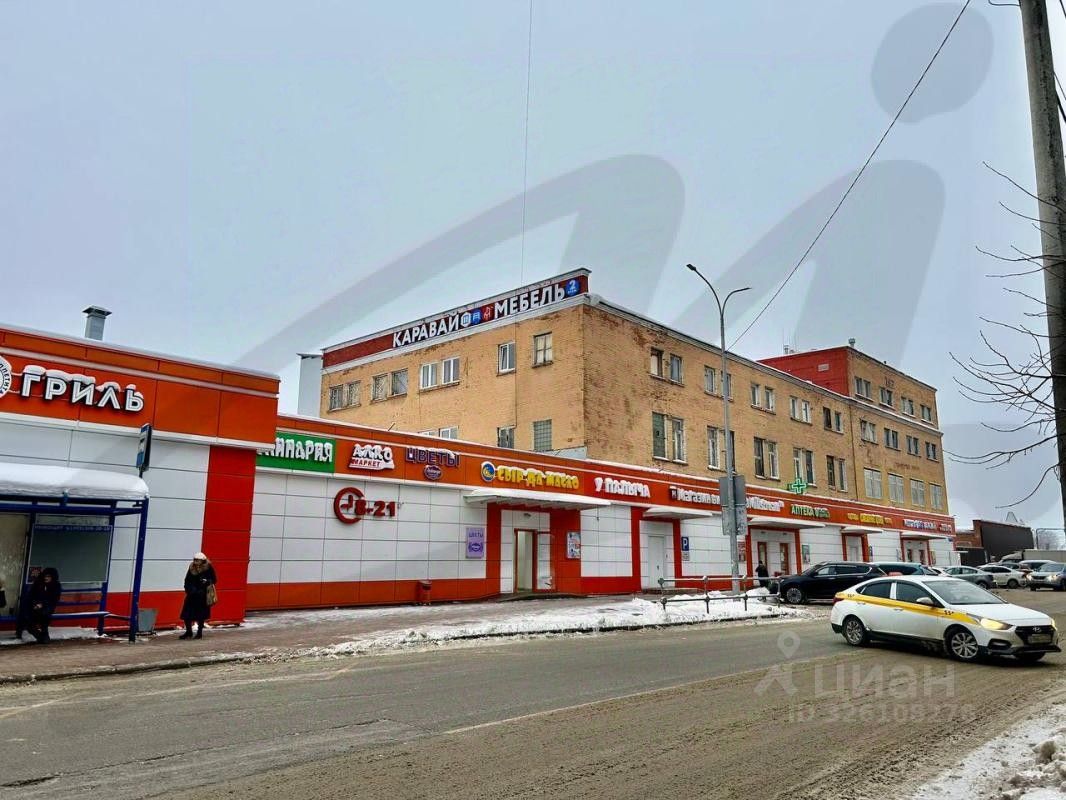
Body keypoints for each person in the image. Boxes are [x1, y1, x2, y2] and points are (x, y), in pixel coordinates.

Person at [16, 567, 62, 643]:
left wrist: (42, 604)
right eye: (45, 576)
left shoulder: (56, 586)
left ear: (53, 577)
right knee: (28, 621)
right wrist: (35, 604)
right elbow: (30, 596)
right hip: (34, 608)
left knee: (44, 620)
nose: (46, 578)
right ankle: (41, 637)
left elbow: (54, 599)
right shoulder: (38, 584)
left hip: (46, 609)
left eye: (48, 576)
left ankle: (44, 638)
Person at [179, 552, 217, 640]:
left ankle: (199, 633)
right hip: (191, 594)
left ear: (203, 561)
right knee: (186, 614)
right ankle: (189, 632)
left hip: (202, 595)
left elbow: (214, 579)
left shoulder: (208, 567)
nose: (196, 562)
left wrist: (207, 581)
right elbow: (187, 580)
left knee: (201, 615)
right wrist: (188, 589)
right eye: (195, 560)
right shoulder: (191, 567)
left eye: (198, 560)